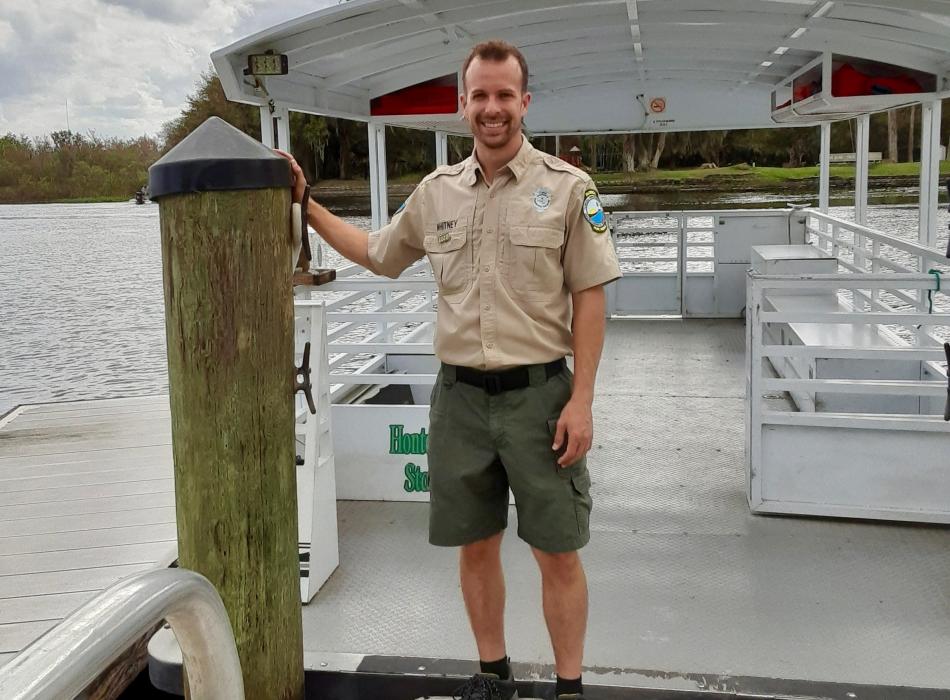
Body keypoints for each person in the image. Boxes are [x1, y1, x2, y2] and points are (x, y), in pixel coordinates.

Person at [280, 40, 620, 700]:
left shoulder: (570, 189)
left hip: (540, 398)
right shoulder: (436, 194)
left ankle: (571, 687)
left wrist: (582, 399)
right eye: (480, 96)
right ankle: (493, 677)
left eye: (504, 96)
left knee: (557, 551)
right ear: (462, 105)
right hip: (460, 401)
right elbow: (378, 254)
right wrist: (305, 204)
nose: (492, 109)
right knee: (476, 545)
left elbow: (591, 297)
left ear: (524, 102)